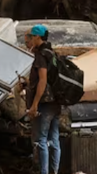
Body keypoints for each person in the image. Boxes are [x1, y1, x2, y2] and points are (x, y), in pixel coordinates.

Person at [24, 25, 61, 174]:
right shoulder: (52, 53)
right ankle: (54, 171)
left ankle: (44, 172)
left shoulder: (40, 56)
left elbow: (43, 80)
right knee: (54, 139)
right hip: (56, 103)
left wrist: (34, 104)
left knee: (41, 140)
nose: (30, 40)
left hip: (45, 104)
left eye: (32, 37)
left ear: (38, 37)